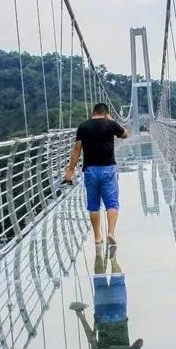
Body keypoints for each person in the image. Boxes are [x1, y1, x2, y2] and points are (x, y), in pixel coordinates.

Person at [69, 246, 143, 349]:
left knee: (118, 281)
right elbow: (91, 337)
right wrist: (81, 316)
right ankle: (98, 252)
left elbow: (140, 341)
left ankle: (113, 260)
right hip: (102, 315)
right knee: (99, 280)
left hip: (119, 313)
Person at [64, 102, 129, 246]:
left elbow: (76, 150)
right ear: (106, 113)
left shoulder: (83, 126)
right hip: (108, 169)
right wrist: (112, 121)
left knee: (93, 205)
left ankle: (97, 237)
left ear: (92, 113)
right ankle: (111, 233)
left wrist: (70, 169)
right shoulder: (110, 124)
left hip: (90, 170)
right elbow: (125, 134)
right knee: (112, 203)